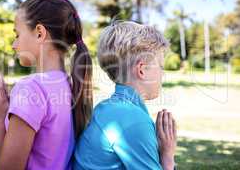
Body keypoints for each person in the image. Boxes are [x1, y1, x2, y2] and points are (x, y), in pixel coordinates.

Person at [0, 0, 93, 170]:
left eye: (17, 34)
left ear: (40, 33)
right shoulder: (69, 85)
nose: (14, 44)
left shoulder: (31, 88)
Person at [74, 21, 177, 170]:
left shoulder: (106, 108)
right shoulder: (134, 121)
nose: (163, 73)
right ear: (142, 70)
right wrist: (167, 155)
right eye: (160, 66)